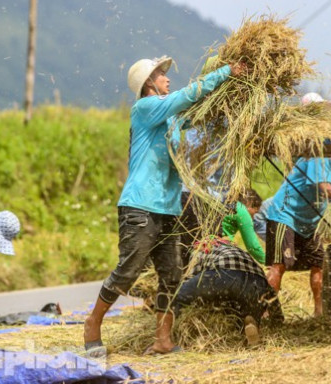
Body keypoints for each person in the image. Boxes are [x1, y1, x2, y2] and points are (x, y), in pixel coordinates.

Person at [83, 55, 246, 357]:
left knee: (173, 274)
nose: (167, 78)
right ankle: (92, 323)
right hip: (140, 206)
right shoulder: (144, 108)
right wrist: (225, 72)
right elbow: (187, 96)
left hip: (169, 208)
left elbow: (195, 111)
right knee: (128, 271)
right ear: (148, 83)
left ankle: (162, 340)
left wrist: (229, 97)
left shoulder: (169, 117)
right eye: (160, 74)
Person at [264, 93, 331, 317]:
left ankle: (319, 314)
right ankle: (262, 313)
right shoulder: (316, 151)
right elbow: (325, 188)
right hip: (285, 214)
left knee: (319, 264)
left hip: (310, 221)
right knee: (278, 266)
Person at [173, 190, 279, 347]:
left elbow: (192, 273)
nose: (253, 218)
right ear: (249, 203)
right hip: (255, 280)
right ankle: (249, 319)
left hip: (222, 274)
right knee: (242, 301)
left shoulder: (205, 244)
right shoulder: (240, 209)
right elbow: (253, 247)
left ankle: (173, 337)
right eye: (254, 212)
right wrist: (273, 264)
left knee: (180, 296)